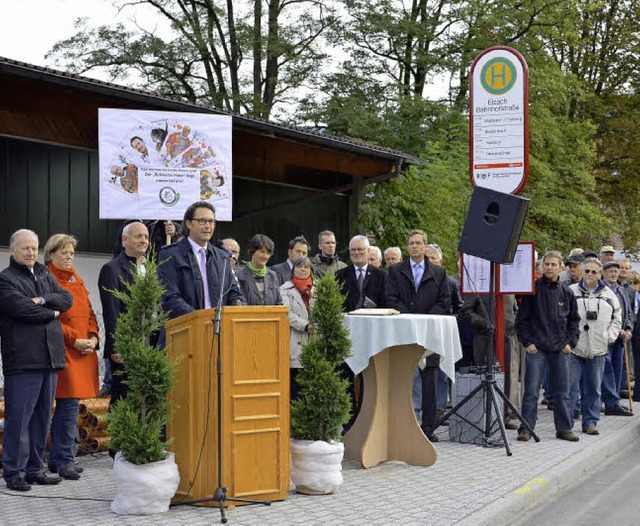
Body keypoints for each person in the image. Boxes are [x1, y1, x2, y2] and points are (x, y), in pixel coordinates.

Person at [0, 229, 73, 491]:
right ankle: (14, 472)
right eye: (25, 248)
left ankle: (34, 468)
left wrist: (43, 300)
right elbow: (22, 310)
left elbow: (67, 299)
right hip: (23, 361)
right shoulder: (5, 280)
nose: (31, 252)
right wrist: (51, 312)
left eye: (34, 248)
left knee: (42, 418)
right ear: (13, 250)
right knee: (19, 419)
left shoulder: (44, 274)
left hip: (50, 359)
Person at [386, 229, 451, 441]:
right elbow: (391, 297)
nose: (415, 246)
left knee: (430, 381)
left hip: (429, 334)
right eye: (411, 243)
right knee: (404, 380)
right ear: (407, 246)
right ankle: (404, 425)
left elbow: (444, 301)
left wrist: (424, 319)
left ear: (425, 246)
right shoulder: (395, 271)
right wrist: (410, 318)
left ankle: (428, 428)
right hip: (403, 332)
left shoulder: (439, 273)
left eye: (419, 243)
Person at [44, 234, 99, 480]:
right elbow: (51, 317)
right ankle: (62, 459)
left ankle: (61, 458)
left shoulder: (77, 279)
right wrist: (74, 340)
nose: (69, 257)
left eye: (72, 253)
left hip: (82, 349)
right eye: (63, 253)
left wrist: (94, 337)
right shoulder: (47, 279)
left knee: (69, 407)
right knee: (66, 407)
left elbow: (89, 313)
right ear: (51, 255)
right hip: (64, 350)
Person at [515, 250, 580, 442]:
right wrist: (528, 343)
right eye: (547, 264)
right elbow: (521, 320)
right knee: (531, 392)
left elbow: (574, 321)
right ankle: (526, 429)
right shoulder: (532, 289)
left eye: (553, 265)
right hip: (537, 349)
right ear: (542, 266)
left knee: (562, 393)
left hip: (561, 349)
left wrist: (570, 343)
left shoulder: (567, 292)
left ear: (561, 268)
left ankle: (564, 429)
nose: (550, 267)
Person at [158, 201, 245, 321]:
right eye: (202, 221)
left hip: (219, 330)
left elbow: (234, 292)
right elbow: (170, 298)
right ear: (188, 223)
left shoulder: (222, 256)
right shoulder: (170, 254)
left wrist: (238, 307)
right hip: (185, 329)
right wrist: (201, 319)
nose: (208, 226)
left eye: (211, 221)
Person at [99, 221, 149, 419]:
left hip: (150, 343)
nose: (144, 241)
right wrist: (117, 346)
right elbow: (112, 311)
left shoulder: (151, 268)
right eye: (139, 236)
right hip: (126, 345)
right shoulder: (111, 269)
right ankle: (118, 447)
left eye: (146, 237)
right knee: (124, 397)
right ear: (124, 240)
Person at [569, 258, 622, 435]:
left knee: (594, 388)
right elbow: (561, 316)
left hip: (598, 348)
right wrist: (567, 339)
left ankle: (590, 422)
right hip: (575, 348)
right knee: (570, 387)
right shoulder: (571, 291)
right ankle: (566, 423)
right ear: (582, 272)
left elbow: (617, 318)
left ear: (600, 274)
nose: (590, 275)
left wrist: (609, 337)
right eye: (587, 271)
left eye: (594, 272)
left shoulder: (609, 294)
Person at [600, 260, 633, 416]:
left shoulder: (622, 290)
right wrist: (616, 329)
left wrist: (628, 328)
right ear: (604, 273)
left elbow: (629, 312)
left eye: (615, 271)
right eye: (610, 271)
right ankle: (602, 402)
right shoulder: (601, 289)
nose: (613, 274)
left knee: (617, 370)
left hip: (621, 339)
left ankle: (614, 402)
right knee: (605, 371)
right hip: (606, 337)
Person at [280, 257, 315, 401]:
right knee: (297, 389)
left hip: (315, 340)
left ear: (311, 271)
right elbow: (286, 313)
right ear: (293, 269)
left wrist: (316, 325)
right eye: (299, 266)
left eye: (306, 267)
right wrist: (305, 325)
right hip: (295, 340)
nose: (303, 269)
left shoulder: (319, 288)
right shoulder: (285, 289)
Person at [335, 235, 387, 312]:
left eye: (360, 249)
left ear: (368, 251)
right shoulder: (340, 275)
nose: (356, 252)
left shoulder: (381, 275)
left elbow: (385, 302)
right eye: (353, 250)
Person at [236, 234, 283, 306]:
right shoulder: (239, 276)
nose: (265, 256)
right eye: (262, 251)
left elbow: (279, 303)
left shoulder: (273, 276)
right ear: (252, 251)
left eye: (268, 253)